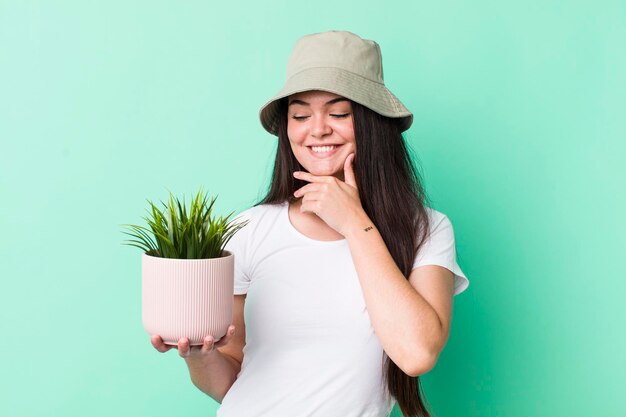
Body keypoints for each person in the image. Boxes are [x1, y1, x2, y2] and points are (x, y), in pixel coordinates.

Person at [151, 30, 470, 417]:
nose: (317, 129)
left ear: (373, 123)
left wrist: (355, 224)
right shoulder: (249, 230)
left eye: (338, 113)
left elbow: (417, 353)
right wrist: (199, 355)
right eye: (300, 115)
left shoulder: (427, 230)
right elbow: (230, 382)